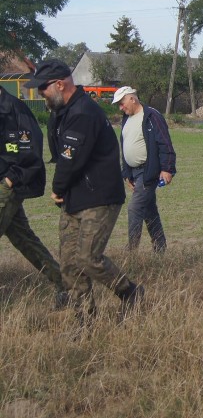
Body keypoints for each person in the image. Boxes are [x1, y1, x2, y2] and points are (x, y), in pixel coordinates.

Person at [29, 59, 143, 324]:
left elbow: (70, 160)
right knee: (69, 264)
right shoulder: (61, 110)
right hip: (75, 196)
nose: (39, 94)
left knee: (88, 259)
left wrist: (57, 189)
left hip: (99, 197)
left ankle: (130, 293)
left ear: (60, 84)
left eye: (43, 88)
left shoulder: (83, 113)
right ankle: (84, 319)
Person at [0, 86, 67, 307]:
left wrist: (10, 180)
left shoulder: (16, 110)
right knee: (24, 240)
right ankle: (66, 286)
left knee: (24, 239)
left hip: (8, 185)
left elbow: (30, 151)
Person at [113, 86, 176, 252]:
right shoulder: (126, 119)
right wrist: (126, 174)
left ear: (132, 99)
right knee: (149, 211)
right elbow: (125, 146)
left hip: (148, 172)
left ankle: (131, 252)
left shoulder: (151, 116)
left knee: (134, 207)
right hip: (134, 173)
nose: (121, 107)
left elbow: (164, 143)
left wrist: (167, 169)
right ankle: (160, 249)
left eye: (121, 103)